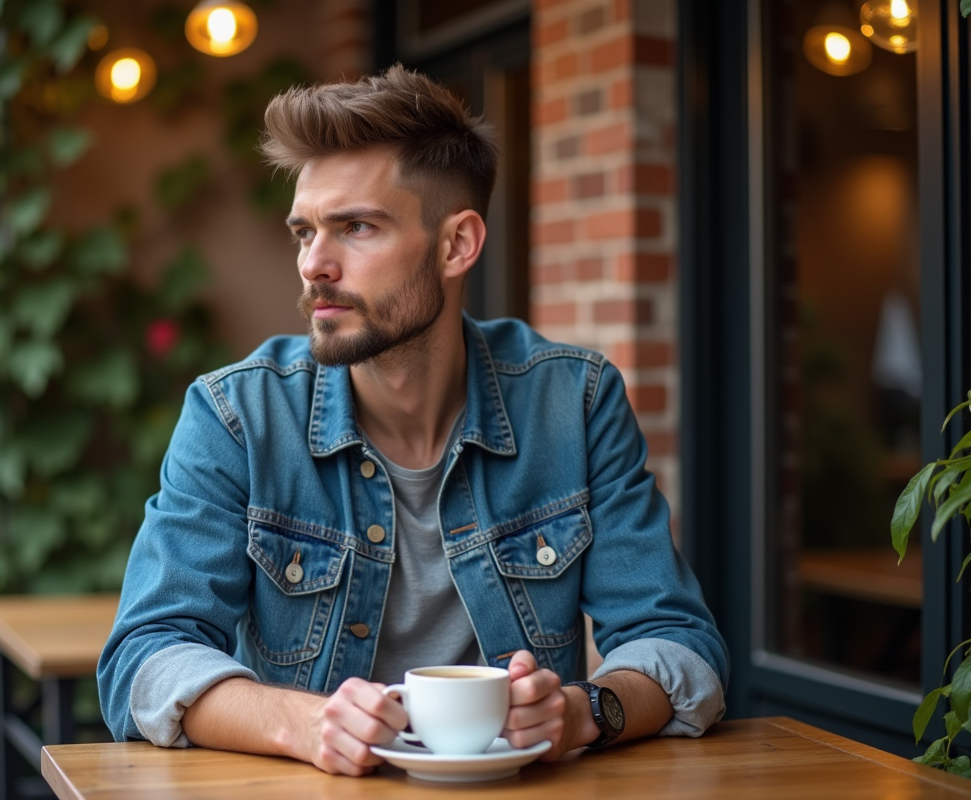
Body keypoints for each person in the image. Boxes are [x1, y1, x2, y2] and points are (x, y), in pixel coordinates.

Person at [98, 64, 728, 776]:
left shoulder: (573, 404)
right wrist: (304, 724)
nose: (315, 266)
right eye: (304, 232)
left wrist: (582, 713)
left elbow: (678, 645)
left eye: (356, 228)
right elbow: (143, 659)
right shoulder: (237, 414)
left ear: (457, 244)